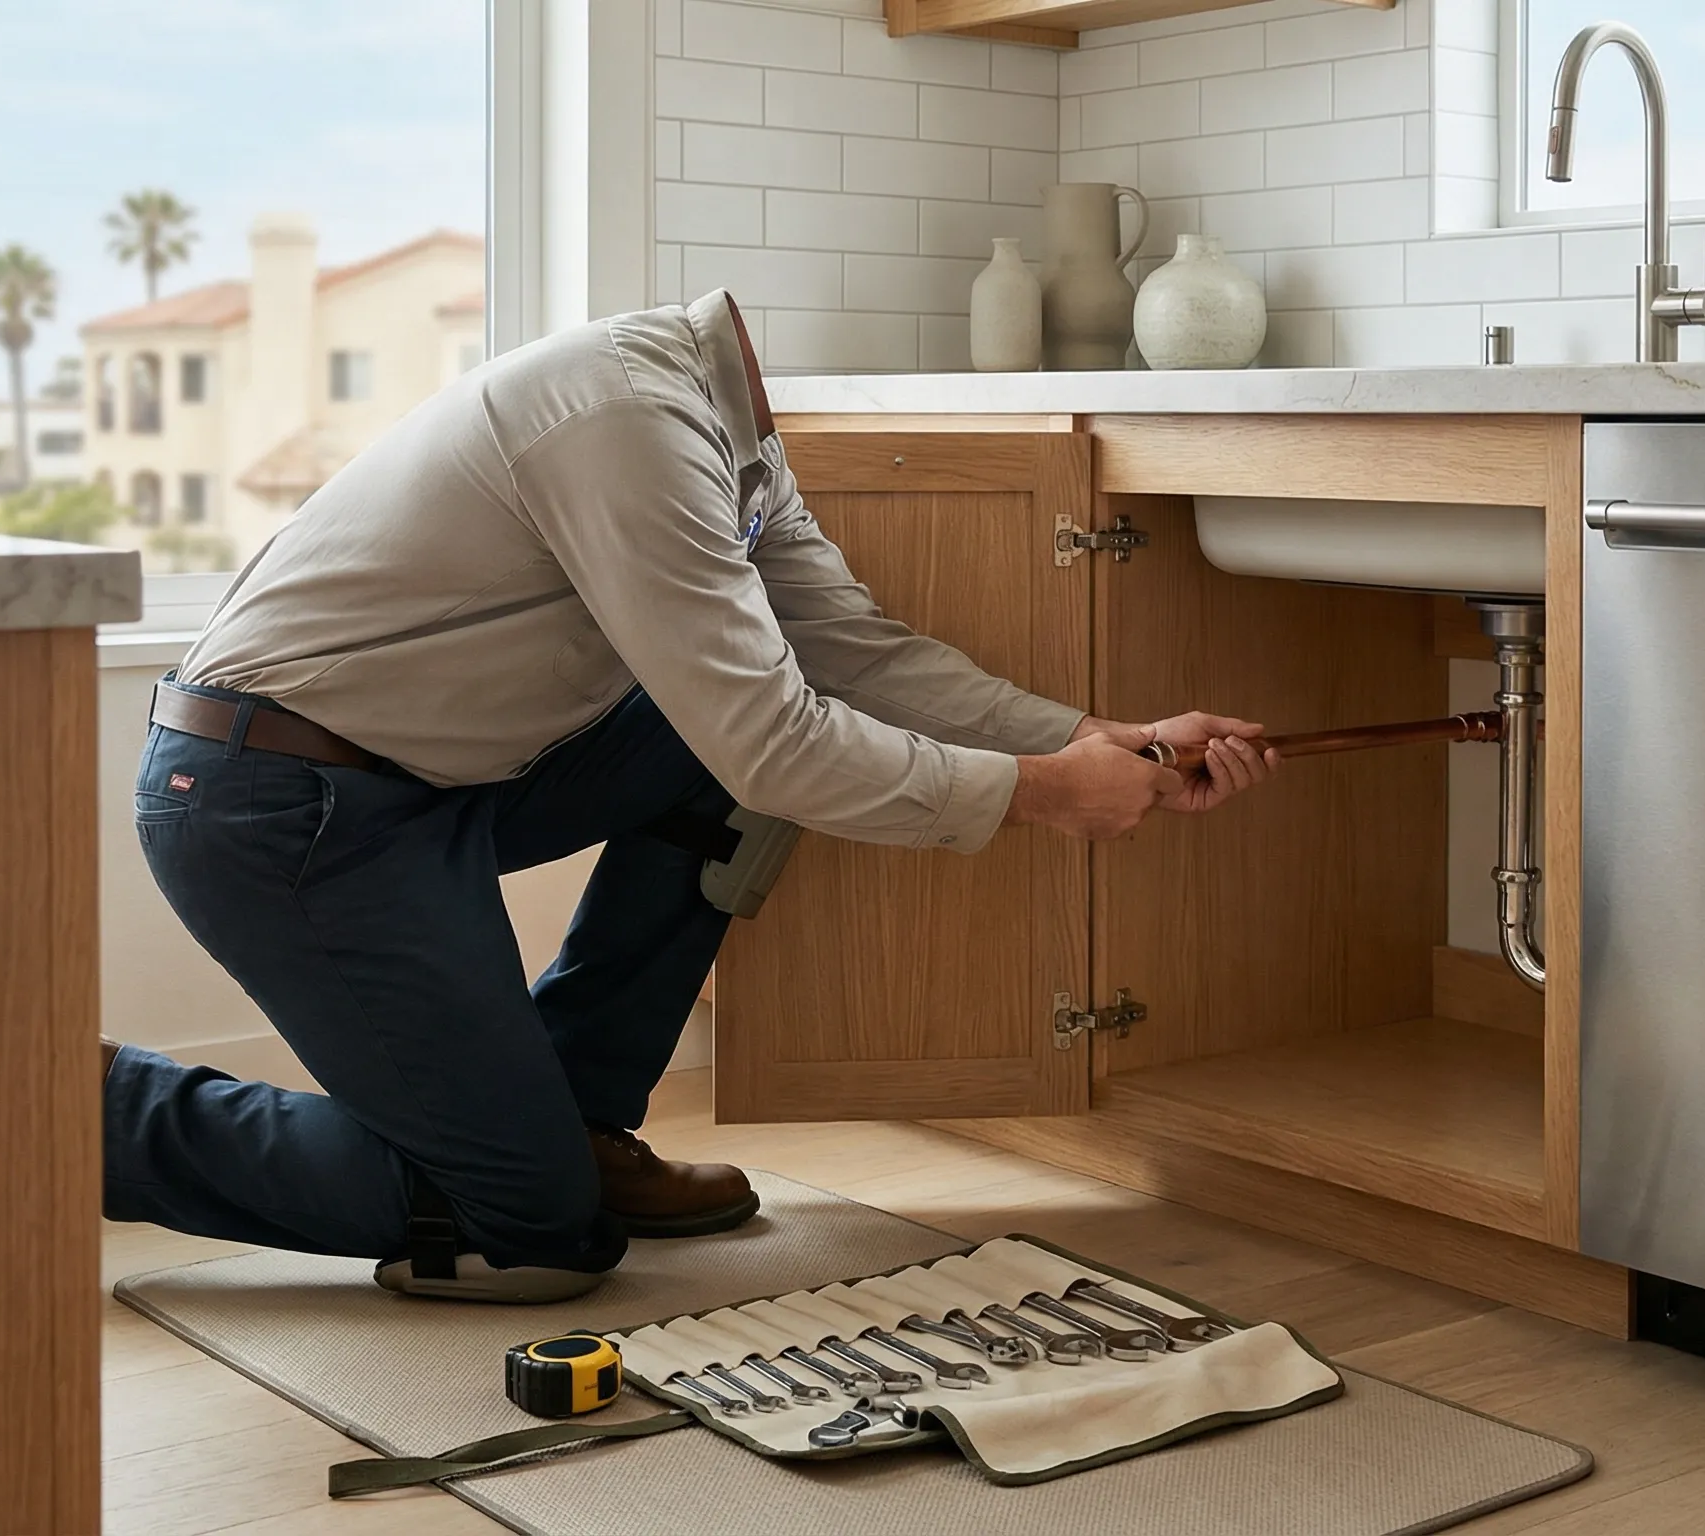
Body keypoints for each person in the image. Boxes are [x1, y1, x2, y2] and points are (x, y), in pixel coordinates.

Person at [102, 291, 1277, 1302]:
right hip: (279, 803)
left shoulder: (724, 433)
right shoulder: (626, 416)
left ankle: (574, 1118)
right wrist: (1036, 795)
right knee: (536, 1238)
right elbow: (773, 743)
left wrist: (1092, 739)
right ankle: (90, 1109)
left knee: (738, 721)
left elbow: (850, 651)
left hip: (419, 789)